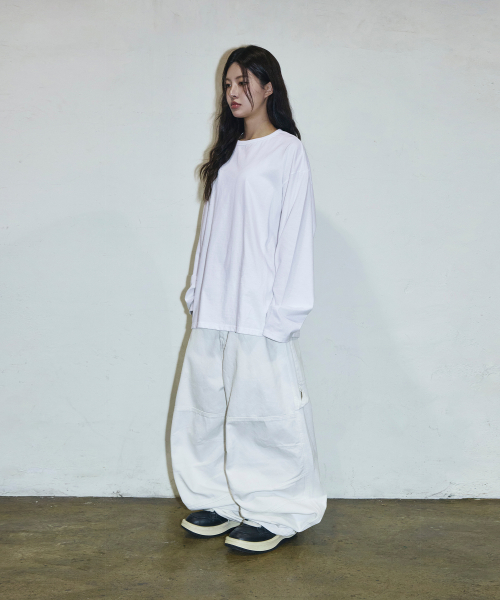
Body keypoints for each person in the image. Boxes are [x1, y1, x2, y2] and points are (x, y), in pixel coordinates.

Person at [170, 45, 326, 554]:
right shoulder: (227, 152)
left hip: (260, 310)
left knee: (265, 413)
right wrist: (198, 293)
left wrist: (285, 311)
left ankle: (275, 509)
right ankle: (218, 499)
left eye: (243, 83)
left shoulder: (287, 151)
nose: (234, 93)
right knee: (205, 409)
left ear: (268, 87)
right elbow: (210, 230)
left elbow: (295, 233)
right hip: (216, 306)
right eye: (228, 85)